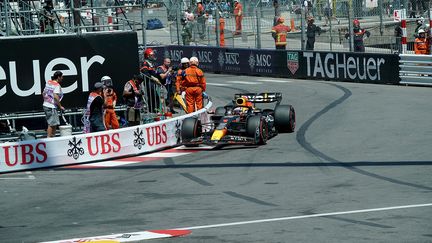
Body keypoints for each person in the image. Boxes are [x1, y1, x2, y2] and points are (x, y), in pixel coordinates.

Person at [42, 71, 64, 138]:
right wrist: (60, 106)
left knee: (54, 123)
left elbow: (43, 93)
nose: (62, 78)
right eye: (62, 77)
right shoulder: (57, 85)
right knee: (51, 124)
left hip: (46, 105)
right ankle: (49, 138)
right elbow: (55, 96)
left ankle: (52, 137)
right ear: (58, 77)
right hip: (51, 106)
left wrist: (46, 100)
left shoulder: (49, 82)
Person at [140, 48, 162, 113]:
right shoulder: (145, 63)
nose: (153, 56)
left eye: (153, 55)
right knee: (152, 97)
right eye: (151, 55)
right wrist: (154, 78)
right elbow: (145, 72)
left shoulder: (151, 64)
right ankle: (152, 111)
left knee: (155, 97)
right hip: (148, 83)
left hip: (153, 83)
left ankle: (155, 110)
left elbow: (154, 73)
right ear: (148, 56)